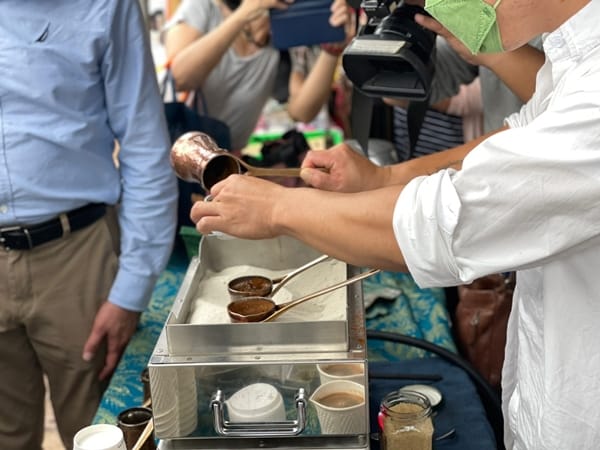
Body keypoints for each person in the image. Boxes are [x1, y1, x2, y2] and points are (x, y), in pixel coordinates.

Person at [189, 0, 600, 447]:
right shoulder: (575, 56)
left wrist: (279, 209)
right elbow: (520, 139)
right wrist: (384, 179)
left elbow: (442, 223)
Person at [0, 1, 178, 449]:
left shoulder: (106, 5)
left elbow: (144, 145)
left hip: (76, 256)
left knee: (100, 434)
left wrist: (131, 289)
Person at [164, 0, 351, 152]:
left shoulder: (288, 33)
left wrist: (332, 50)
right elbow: (179, 78)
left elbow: (302, 112)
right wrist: (245, 13)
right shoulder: (204, 7)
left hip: (226, 156)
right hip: (176, 148)